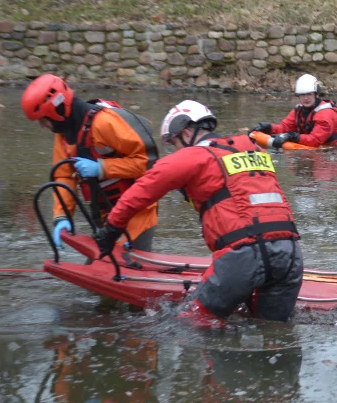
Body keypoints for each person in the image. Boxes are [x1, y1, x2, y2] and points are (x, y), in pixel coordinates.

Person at [94, 101, 303, 326]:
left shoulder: (194, 155)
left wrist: (111, 230)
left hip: (243, 257)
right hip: (290, 254)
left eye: (174, 143)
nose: (175, 149)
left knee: (196, 324)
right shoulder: (255, 150)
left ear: (185, 132)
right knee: (273, 330)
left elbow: (142, 190)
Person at [20, 74, 160, 252]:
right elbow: (64, 176)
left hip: (137, 212)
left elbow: (150, 163)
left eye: (43, 120)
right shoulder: (63, 134)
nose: (41, 125)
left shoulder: (104, 123)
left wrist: (102, 168)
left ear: (56, 111)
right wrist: (62, 216)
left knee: (127, 267)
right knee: (103, 264)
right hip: (107, 214)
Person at [248, 74, 337, 149]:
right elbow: (283, 128)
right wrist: (266, 127)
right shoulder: (299, 109)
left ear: (316, 94)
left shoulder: (325, 114)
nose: (306, 98)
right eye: (302, 95)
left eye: (309, 94)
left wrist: (292, 136)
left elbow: (315, 140)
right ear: (298, 96)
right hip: (320, 146)